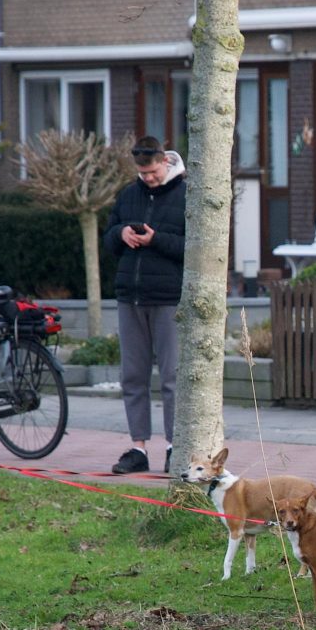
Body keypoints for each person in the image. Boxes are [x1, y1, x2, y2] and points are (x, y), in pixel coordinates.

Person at [105, 136, 187, 476]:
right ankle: (138, 448)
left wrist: (155, 240)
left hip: (168, 299)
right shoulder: (129, 194)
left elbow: (195, 247)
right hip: (130, 296)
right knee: (133, 376)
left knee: (172, 377)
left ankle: (174, 447)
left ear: (165, 162)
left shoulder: (186, 195)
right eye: (142, 173)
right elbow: (108, 237)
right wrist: (121, 233)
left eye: (152, 171)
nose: (148, 178)